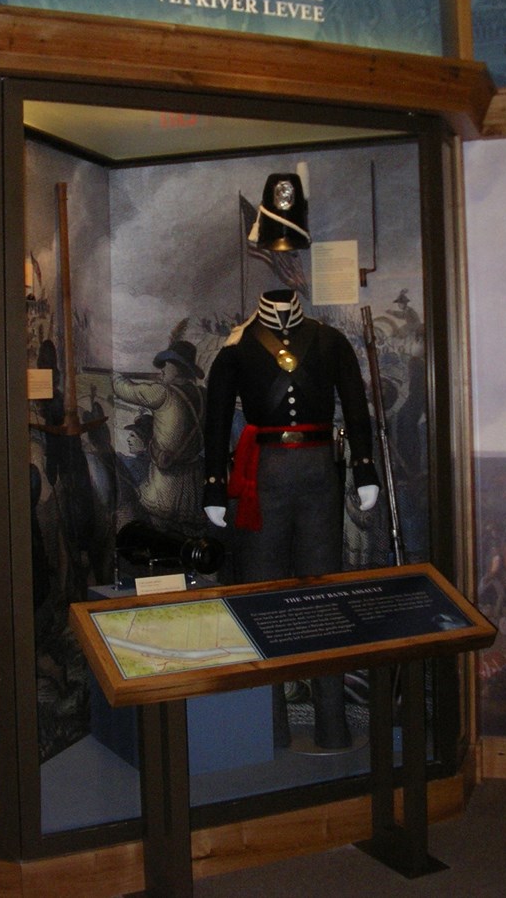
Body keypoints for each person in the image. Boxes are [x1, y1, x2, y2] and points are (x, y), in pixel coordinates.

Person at [203, 174, 379, 750]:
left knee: (325, 595)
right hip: (262, 479)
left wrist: (365, 471)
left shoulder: (330, 342)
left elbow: (356, 412)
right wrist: (212, 485)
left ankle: (333, 725)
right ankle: (268, 729)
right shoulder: (236, 346)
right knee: (260, 598)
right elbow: (214, 419)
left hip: (320, 479)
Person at [113, 339, 206, 535]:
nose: (162, 371)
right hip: (194, 492)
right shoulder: (204, 394)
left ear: (177, 367)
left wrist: (117, 377)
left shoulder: (163, 392)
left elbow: (125, 390)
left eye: (166, 365)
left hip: (164, 489)